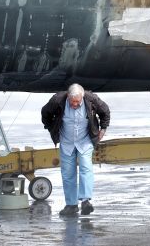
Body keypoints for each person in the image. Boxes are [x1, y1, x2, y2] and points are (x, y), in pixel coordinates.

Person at [41, 83, 110, 216]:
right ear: (68, 97)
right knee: (68, 174)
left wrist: (103, 129)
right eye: (72, 102)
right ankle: (71, 205)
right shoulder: (57, 100)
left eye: (77, 102)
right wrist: (51, 128)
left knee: (86, 168)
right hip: (66, 142)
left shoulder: (91, 99)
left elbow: (105, 111)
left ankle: (85, 201)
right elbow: (45, 113)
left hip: (85, 141)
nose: (74, 104)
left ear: (82, 97)